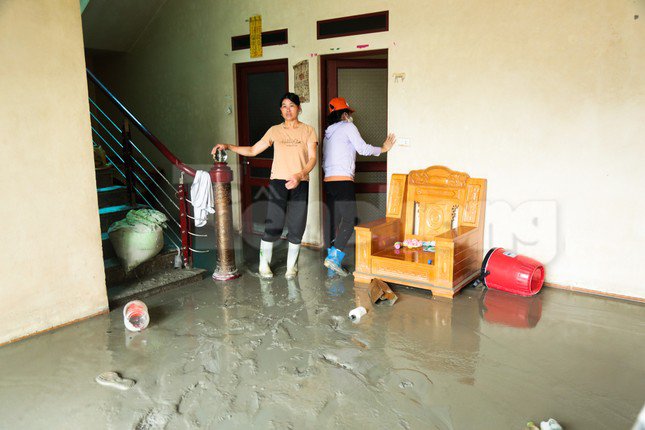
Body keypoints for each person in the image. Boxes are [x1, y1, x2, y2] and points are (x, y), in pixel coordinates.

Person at [212, 92, 318, 279]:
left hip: (300, 182)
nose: (288, 109)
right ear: (280, 110)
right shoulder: (274, 130)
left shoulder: (308, 130)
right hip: (278, 181)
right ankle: (264, 265)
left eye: (292, 105)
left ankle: (291, 268)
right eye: (284, 106)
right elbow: (253, 150)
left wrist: (300, 175)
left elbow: (313, 158)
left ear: (299, 108)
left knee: (297, 226)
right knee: (274, 225)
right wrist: (228, 146)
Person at [322, 97, 395, 275]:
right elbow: (362, 149)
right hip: (342, 181)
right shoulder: (348, 127)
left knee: (333, 220)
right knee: (349, 219)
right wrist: (383, 149)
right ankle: (334, 258)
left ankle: (331, 259)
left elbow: (325, 159)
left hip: (328, 181)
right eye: (348, 113)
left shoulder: (327, 133)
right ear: (345, 114)